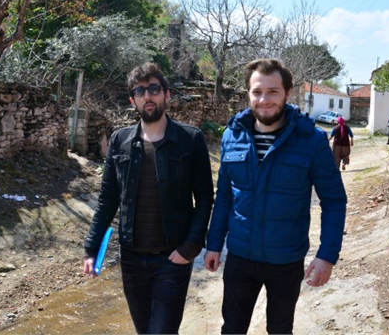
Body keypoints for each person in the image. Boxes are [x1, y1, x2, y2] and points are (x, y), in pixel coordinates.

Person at [204, 58, 348, 334]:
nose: (264, 99)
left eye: (273, 92)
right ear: (248, 94)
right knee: (232, 328)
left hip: (286, 261)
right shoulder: (232, 136)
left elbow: (333, 200)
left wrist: (327, 255)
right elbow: (224, 196)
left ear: (287, 94)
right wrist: (213, 244)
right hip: (240, 258)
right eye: (257, 92)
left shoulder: (311, 140)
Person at [83, 62, 214, 334]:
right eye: (140, 91)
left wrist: (190, 247)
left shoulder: (191, 139)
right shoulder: (120, 141)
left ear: (167, 95)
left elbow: (204, 198)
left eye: (154, 89)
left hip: (172, 258)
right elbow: (108, 199)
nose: (147, 96)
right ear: (133, 101)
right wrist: (91, 249)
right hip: (131, 258)